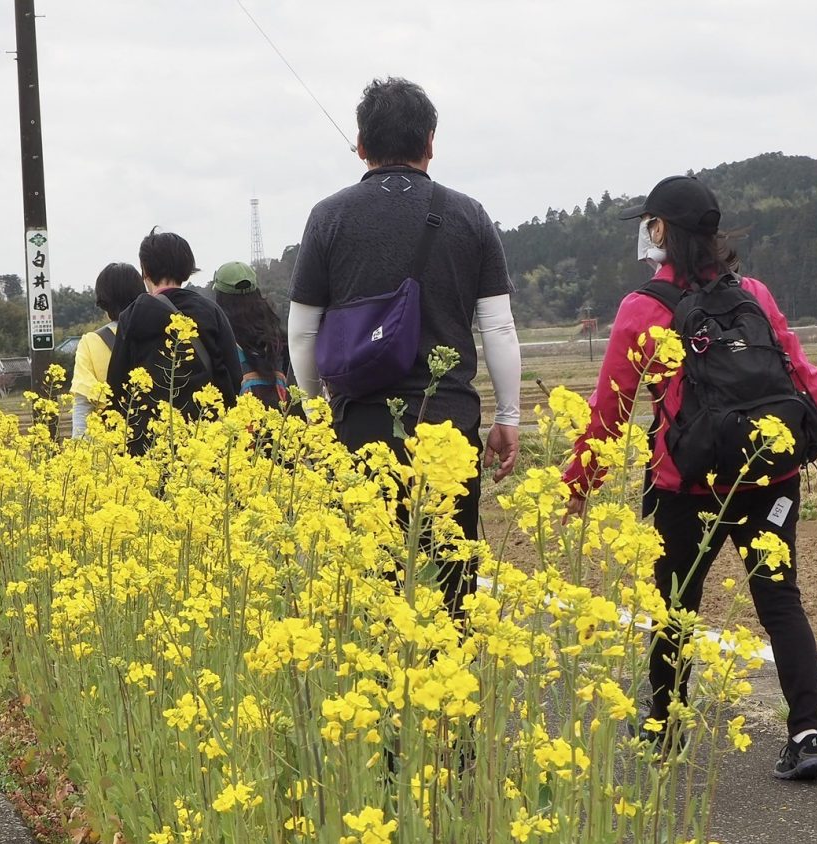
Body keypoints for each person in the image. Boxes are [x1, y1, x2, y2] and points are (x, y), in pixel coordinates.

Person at [562, 175, 817, 780]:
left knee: (676, 606)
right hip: (769, 475)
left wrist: (579, 484)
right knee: (781, 601)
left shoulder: (642, 308)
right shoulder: (752, 291)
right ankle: (808, 734)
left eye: (648, 225)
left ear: (661, 232)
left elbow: (610, 410)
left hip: (689, 484)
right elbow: (801, 371)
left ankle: (665, 729)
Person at [287, 77, 523, 616]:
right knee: (453, 579)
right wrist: (508, 415)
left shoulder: (329, 216)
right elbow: (499, 328)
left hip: (360, 426)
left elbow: (302, 331)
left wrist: (313, 411)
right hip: (448, 424)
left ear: (361, 145)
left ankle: (379, 692)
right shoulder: (469, 215)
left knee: (373, 583)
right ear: (430, 142)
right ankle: (448, 691)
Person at [106, 229, 243, 452]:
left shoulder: (131, 317)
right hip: (203, 441)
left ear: (145, 270)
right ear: (187, 269)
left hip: (147, 443)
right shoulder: (210, 312)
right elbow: (233, 378)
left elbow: (116, 386)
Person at [69, 263, 146, 438]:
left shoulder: (90, 342)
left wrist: (78, 453)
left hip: (109, 447)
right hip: (154, 442)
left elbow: (83, 404)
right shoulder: (159, 333)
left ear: (103, 300)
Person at [211, 261, 289, 408]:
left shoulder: (220, 337)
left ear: (220, 296)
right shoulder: (276, 335)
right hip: (282, 423)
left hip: (239, 425)